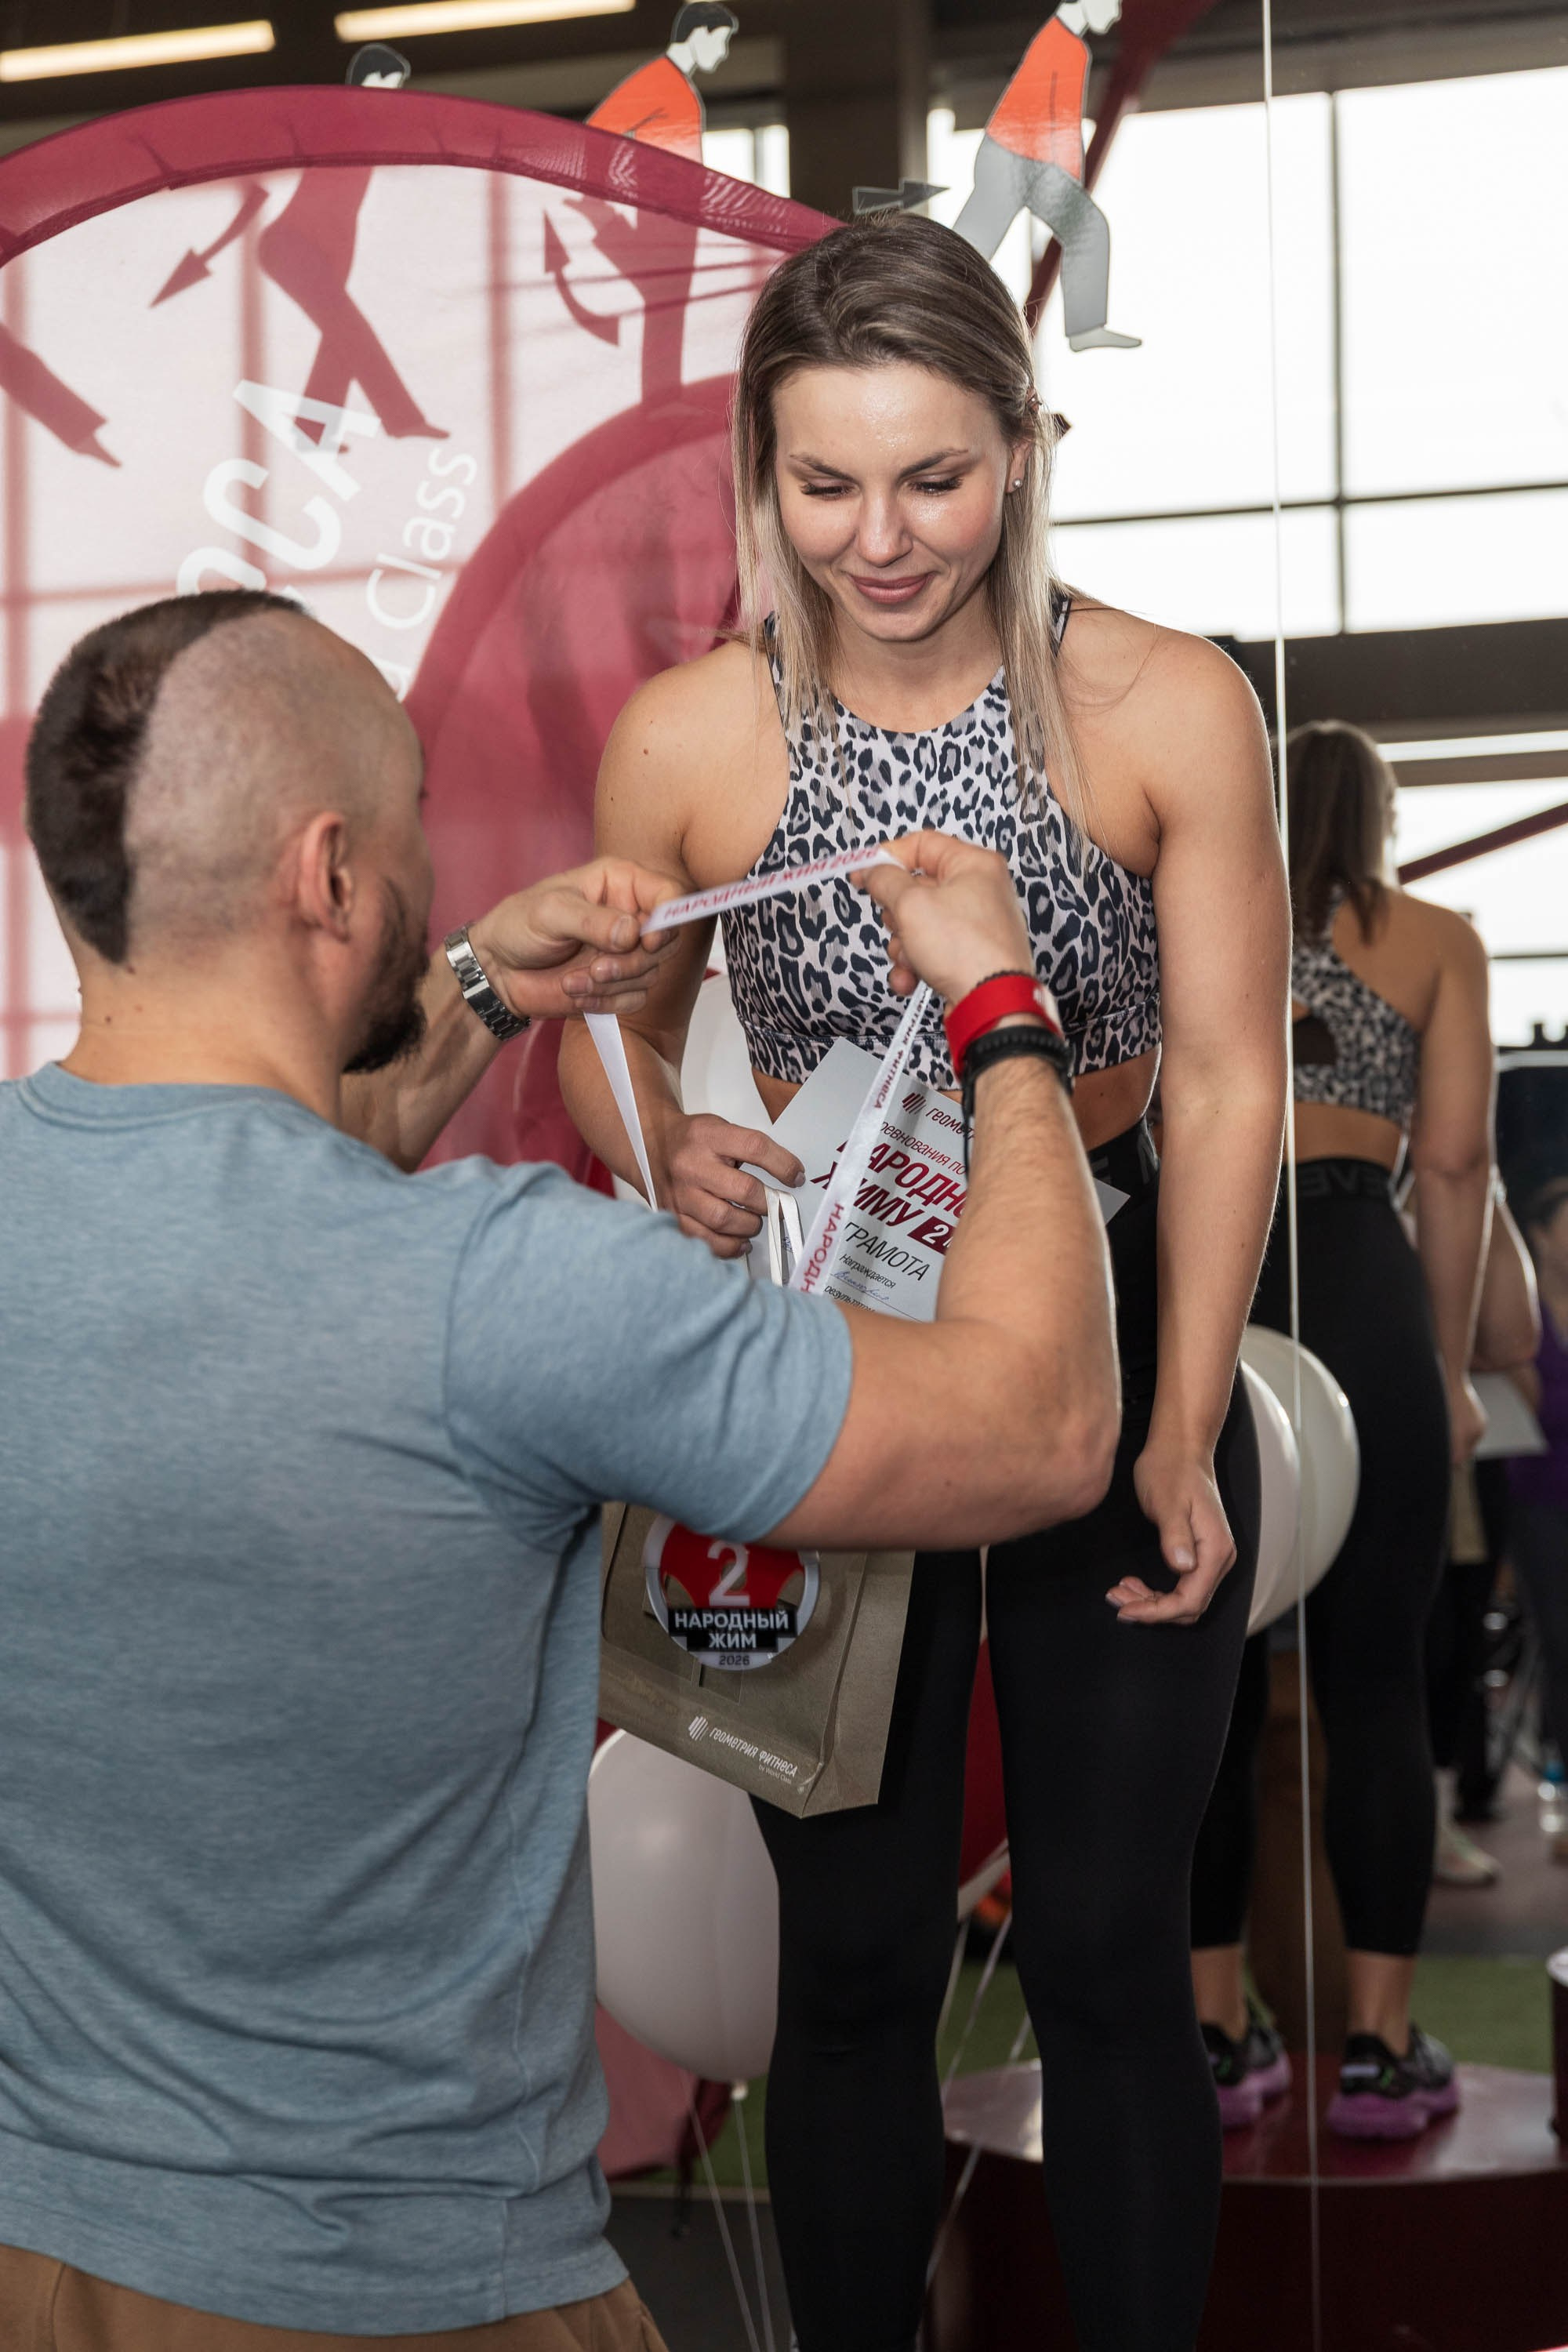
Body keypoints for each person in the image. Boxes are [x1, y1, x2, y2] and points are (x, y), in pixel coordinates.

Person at [0, 590, 1123, 2350]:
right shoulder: (504, 1288)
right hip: (412, 2294)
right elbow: (1040, 1425)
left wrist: (471, 993)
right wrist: (1002, 1009)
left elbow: (241, 1187)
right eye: (416, 828)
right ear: (332, 877)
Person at [559, 212, 1287, 2352]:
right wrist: (653, 1145)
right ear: (758, 476)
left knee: (1101, 1945)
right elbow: (611, 1018)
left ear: (1026, 445)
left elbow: (1238, 1080)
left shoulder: (1162, 705)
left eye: (936, 478)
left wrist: (1177, 1419)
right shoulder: (693, 739)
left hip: (1122, 1303)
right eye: (827, 482)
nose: (883, 537)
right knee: (853, 1964)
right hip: (837, 1346)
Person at [1191, 719, 1494, 2140]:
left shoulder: (1203, 905)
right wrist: (1442, 1366)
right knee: (1377, 1687)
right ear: (1380, 815)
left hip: (1219, 1272)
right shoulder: (1435, 937)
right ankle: (1376, 2050)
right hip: (1362, 1279)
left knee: (1212, 1677)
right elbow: (1452, 1161)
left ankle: (1213, 2029)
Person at [1427, 1180, 1538, 1886]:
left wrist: (1486, 1183)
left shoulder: (1464, 1186)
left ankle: (1436, 1815)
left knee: (1455, 1642)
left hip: (1464, 1462)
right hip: (1369, 1433)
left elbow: (1511, 1337)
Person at [953, 0, 1139, 350]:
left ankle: (1085, 328)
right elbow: (1063, 126)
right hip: (1014, 159)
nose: (1116, 14)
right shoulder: (1065, 46)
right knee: (965, 251)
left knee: (966, 251)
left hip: (1020, 159)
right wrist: (1072, 180)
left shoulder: (1063, 40)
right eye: (1112, 4)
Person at [1511, 1174, 1568, 1863]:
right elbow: (1533, 1409)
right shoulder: (1524, 1319)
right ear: (1542, 1236)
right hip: (1539, 1504)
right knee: (1561, 1643)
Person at [586, 3, 738, 165]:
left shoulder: (677, 84)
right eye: (720, 40)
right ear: (699, 33)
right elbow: (593, 135)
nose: (723, 51)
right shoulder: (657, 80)